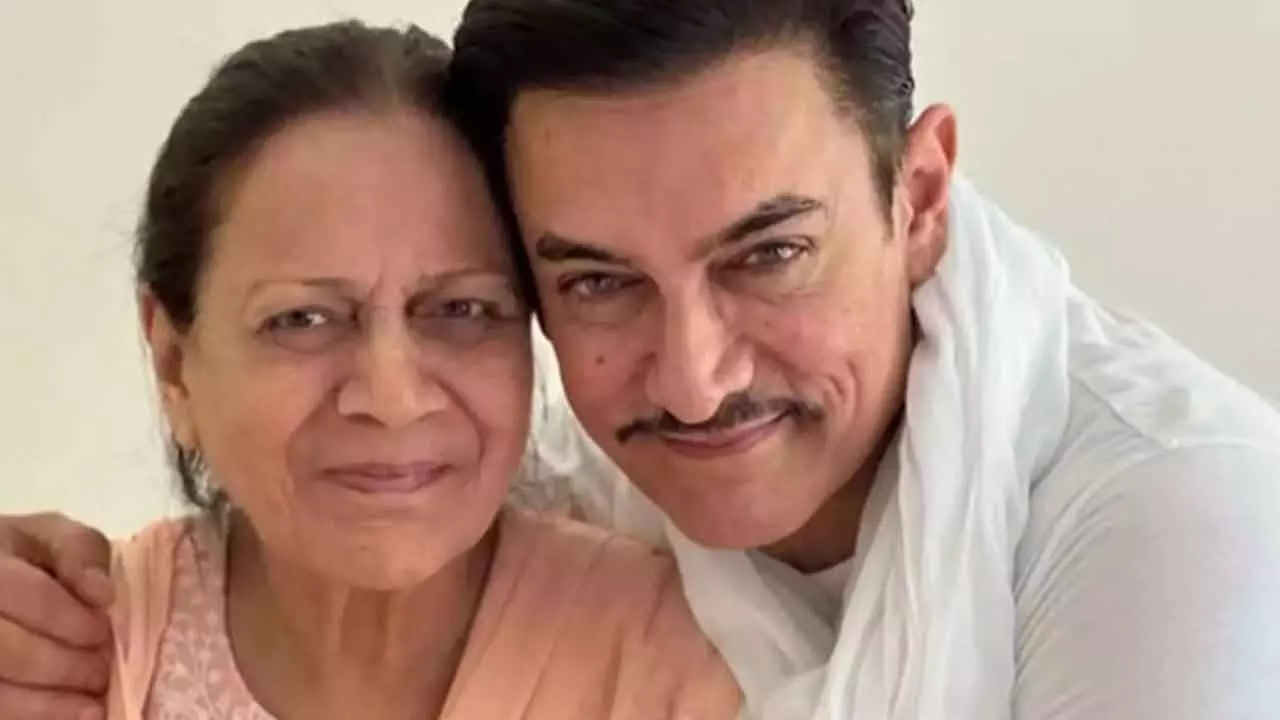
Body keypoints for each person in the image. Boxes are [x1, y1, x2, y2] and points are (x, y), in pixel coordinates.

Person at [5, 1, 1280, 718]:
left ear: (921, 196)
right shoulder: (576, 481)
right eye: (598, 281)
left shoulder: (1170, 526)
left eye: (768, 254)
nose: (691, 380)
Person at [0, 20, 742, 720]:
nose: (392, 398)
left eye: (462, 309)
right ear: (173, 363)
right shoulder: (58, 658)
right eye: (302, 320)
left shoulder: (679, 660)